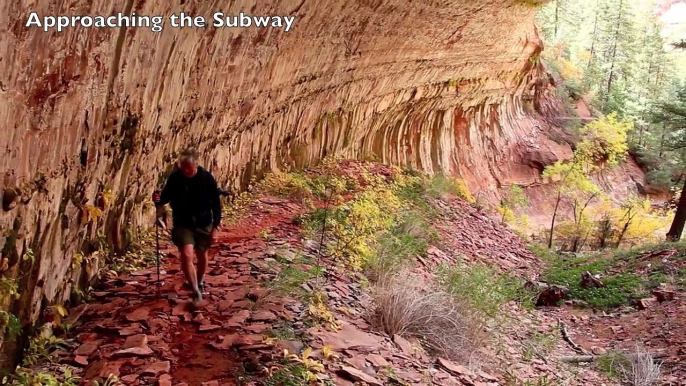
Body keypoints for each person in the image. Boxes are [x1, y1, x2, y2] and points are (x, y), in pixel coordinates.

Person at [152, 148, 221, 306]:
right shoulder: (176, 178)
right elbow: (165, 198)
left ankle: (200, 280)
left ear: (196, 165)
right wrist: (157, 199)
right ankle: (195, 290)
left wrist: (215, 227)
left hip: (203, 222)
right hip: (183, 223)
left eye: (189, 167)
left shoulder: (206, 178)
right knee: (186, 253)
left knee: (202, 254)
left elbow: (216, 205)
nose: (186, 171)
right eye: (183, 168)